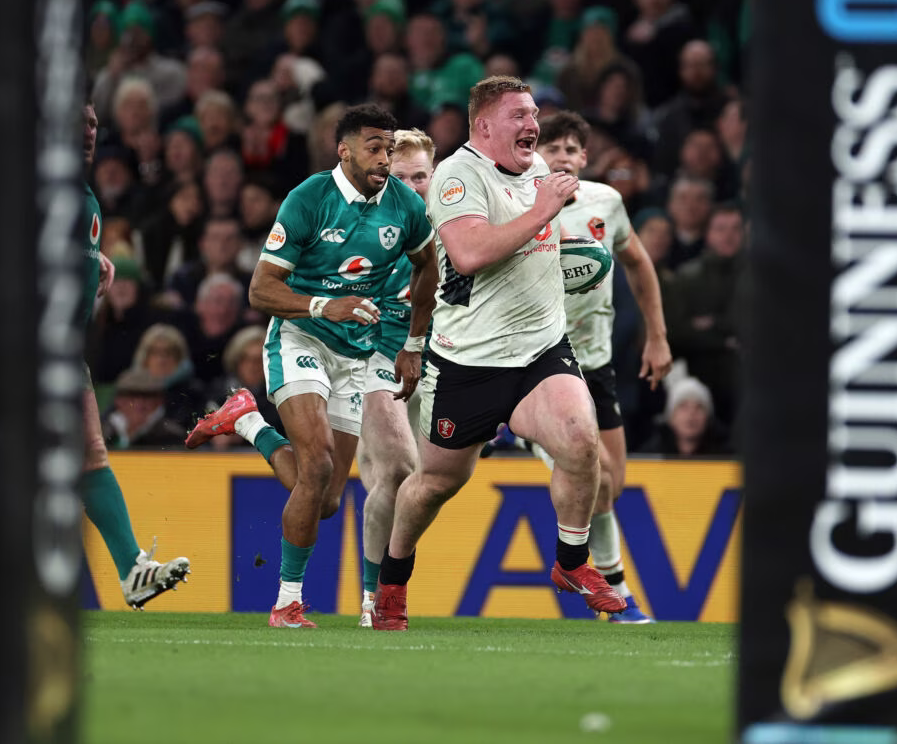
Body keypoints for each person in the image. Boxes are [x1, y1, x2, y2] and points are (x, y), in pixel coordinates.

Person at [371, 76, 628, 630]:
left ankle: (572, 561)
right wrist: (543, 212)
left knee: (582, 443)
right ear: (484, 125)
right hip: (468, 361)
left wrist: (570, 255)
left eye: (533, 113)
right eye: (520, 115)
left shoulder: (538, 170)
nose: (533, 124)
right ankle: (392, 580)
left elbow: (536, 245)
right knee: (435, 485)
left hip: (540, 350)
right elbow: (467, 254)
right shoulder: (455, 177)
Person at [184, 104, 439, 629]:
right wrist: (325, 306)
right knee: (318, 464)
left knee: (324, 499)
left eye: (389, 148)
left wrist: (413, 343)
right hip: (300, 336)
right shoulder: (309, 198)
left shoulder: (405, 207)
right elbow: (261, 290)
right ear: (344, 151)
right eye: (374, 147)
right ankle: (287, 604)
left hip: (356, 354)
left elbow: (427, 267)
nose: (384, 159)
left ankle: (248, 421)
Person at [532, 110, 672, 623]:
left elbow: (637, 262)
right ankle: (618, 596)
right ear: (533, 155)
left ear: (585, 158)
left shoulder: (605, 202)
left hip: (595, 362)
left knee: (610, 488)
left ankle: (612, 593)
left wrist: (657, 336)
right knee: (597, 475)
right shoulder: (517, 204)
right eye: (551, 147)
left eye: (570, 148)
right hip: (539, 362)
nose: (562, 156)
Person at [80, 102, 190, 609]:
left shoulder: (82, 197)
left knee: (90, 455)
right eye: (77, 122)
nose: (88, 131)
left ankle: (132, 571)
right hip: (18, 351)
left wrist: (93, 258)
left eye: (93, 123)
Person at [356, 128, 436, 627]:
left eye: (420, 176)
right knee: (397, 472)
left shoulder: (457, 224)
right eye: (400, 177)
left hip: (436, 367)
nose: (410, 186)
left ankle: (251, 424)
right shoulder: (364, 223)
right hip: (374, 359)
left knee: (419, 488)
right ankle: (375, 599)